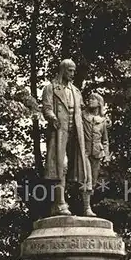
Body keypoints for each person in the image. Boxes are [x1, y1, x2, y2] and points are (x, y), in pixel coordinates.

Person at [42, 59, 87, 216]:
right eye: (70, 70)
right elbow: (47, 108)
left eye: (74, 70)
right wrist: (52, 117)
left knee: (78, 167)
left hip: (76, 131)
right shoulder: (51, 88)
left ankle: (83, 206)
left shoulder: (76, 91)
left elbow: (81, 111)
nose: (73, 74)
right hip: (59, 130)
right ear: (63, 70)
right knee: (61, 166)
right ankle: (60, 202)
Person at [82, 92, 110, 216]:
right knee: (86, 180)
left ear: (99, 102)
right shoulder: (82, 116)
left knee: (92, 182)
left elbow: (105, 140)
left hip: (97, 154)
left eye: (93, 99)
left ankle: (86, 206)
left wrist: (107, 155)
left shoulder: (103, 121)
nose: (90, 100)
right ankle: (87, 208)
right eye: (89, 98)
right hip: (84, 152)